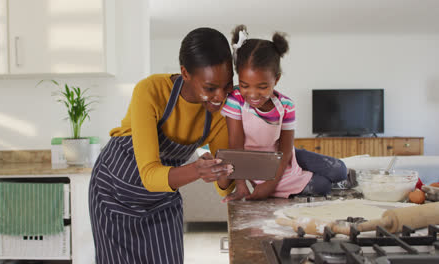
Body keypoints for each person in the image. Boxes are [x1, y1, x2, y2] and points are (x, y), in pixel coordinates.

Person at [89, 27, 236, 264]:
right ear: (185, 73)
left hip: (162, 198)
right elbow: (149, 174)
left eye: (227, 85)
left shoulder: (220, 113)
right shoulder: (151, 91)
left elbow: (224, 188)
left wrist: (225, 172)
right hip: (114, 192)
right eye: (210, 88)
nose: (220, 96)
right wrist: (198, 170)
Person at [217, 25, 347, 202]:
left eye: (262, 87)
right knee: (323, 185)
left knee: (340, 169)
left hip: (284, 155)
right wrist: (242, 186)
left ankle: (304, 172)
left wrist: (271, 185)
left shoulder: (286, 105)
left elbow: (285, 149)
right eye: (245, 85)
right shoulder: (236, 100)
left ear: (276, 79)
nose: (253, 94)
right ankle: (307, 177)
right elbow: (236, 147)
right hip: (258, 165)